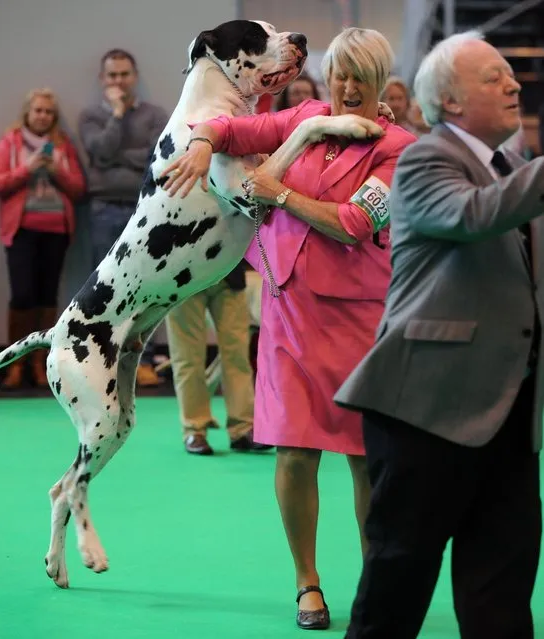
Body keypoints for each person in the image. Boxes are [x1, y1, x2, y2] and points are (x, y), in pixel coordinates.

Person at [161, 27, 415, 630]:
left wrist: (278, 192)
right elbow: (234, 129)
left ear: (381, 83)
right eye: (340, 75)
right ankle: (308, 585)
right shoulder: (304, 116)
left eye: (361, 77)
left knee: (362, 460)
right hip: (286, 311)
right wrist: (202, 141)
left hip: (360, 322)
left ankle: (373, 581)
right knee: (295, 453)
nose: (348, 87)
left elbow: (355, 222)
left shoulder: (398, 147)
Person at [335, 31, 543, 639]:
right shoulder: (427, 158)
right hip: (424, 406)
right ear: (450, 102)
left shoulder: (514, 169)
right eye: (495, 76)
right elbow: (469, 216)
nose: (514, 84)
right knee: (397, 586)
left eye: (512, 74)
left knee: (501, 593)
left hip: (507, 410)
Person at [78, 48, 168, 387]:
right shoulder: (89, 115)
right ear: (103, 80)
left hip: (145, 209)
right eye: (112, 75)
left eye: (124, 74)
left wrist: (114, 158)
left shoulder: (155, 114)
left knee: (146, 283)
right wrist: (116, 115)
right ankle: (103, 359)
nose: (119, 81)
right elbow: (98, 151)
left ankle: (144, 360)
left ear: (135, 76)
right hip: (102, 210)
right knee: (105, 286)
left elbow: (153, 155)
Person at [0, 88, 85, 390]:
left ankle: (41, 363)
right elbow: (0, 183)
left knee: (48, 297)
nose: (43, 116)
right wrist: (27, 169)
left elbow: (78, 188)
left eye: (48, 111)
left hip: (56, 231)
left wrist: (56, 171)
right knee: (22, 296)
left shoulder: (63, 146)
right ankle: (15, 363)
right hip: (21, 230)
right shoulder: (10, 143)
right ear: (28, 112)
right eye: (38, 110)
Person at [165, 261, 272, 454]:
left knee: (238, 355)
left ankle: (242, 428)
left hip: (228, 274)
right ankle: (194, 429)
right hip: (182, 274)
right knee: (187, 357)